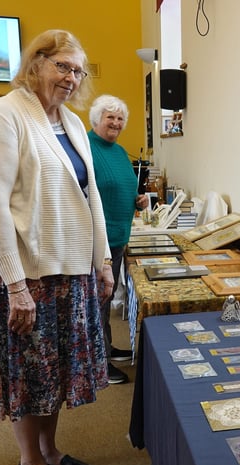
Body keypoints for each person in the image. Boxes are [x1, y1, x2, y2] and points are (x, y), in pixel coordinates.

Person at [0, 29, 112, 465]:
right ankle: (28, 462)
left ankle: (51, 451)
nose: (71, 78)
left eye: (78, 70)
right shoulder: (5, 115)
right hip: (25, 273)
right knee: (30, 375)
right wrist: (15, 285)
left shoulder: (71, 123)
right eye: (62, 66)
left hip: (68, 272)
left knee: (56, 372)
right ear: (36, 64)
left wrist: (104, 262)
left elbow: (89, 195)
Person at [87, 94, 149, 384]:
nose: (116, 122)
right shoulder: (86, 148)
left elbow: (122, 187)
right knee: (98, 300)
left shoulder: (120, 151)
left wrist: (139, 201)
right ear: (96, 119)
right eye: (110, 117)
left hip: (119, 237)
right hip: (97, 241)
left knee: (107, 297)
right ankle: (98, 363)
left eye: (120, 118)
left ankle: (106, 348)